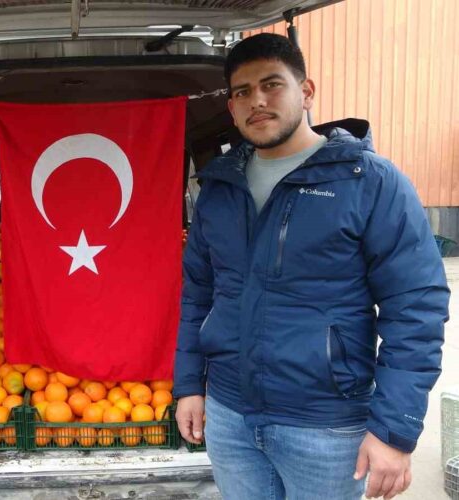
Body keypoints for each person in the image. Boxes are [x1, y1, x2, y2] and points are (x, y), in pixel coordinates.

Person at [173, 33, 449, 500]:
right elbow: (198, 294)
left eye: (271, 84)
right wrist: (189, 386)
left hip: (325, 426)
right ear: (232, 107)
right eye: (242, 92)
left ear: (306, 91)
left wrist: (393, 429)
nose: (257, 101)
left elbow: (415, 310)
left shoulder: (369, 182)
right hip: (230, 418)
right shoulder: (219, 190)